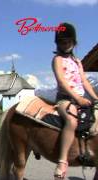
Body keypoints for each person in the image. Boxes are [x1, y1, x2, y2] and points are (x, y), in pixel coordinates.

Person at [52, 23, 98, 179]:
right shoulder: (57, 59)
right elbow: (62, 81)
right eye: (62, 42)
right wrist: (77, 98)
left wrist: (95, 98)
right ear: (58, 44)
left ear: (74, 42)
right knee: (71, 121)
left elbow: (84, 81)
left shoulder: (77, 62)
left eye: (68, 42)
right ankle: (62, 161)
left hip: (81, 99)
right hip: (65, 99)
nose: (66, 45)